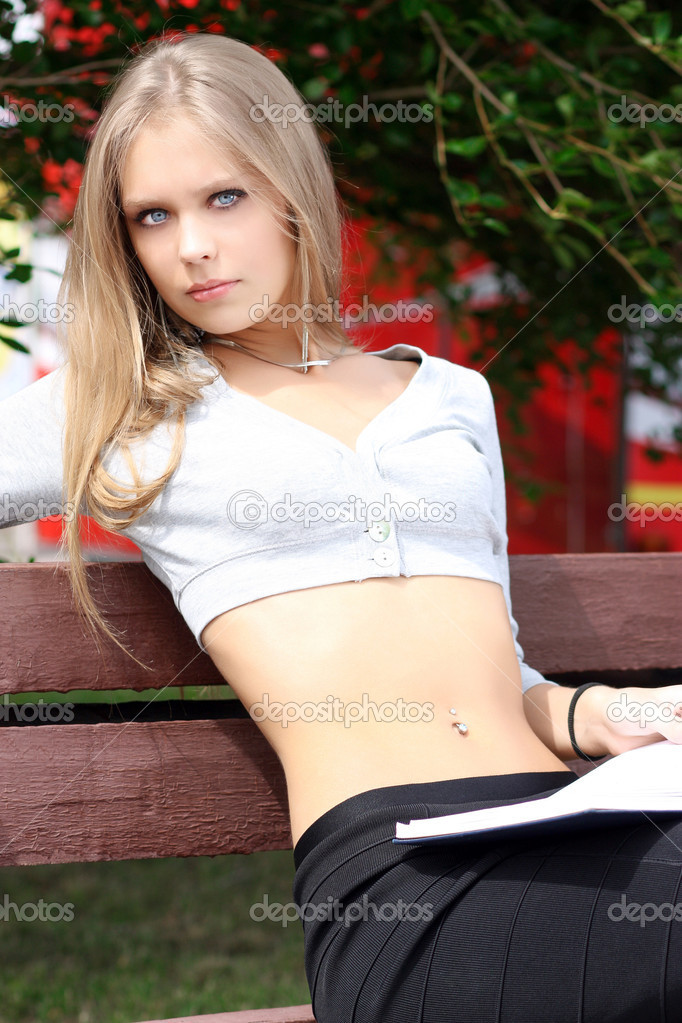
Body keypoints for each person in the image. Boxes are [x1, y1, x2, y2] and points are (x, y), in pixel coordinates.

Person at [2, 32, 682, 1023]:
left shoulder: (448, 394)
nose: (192, 244)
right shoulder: (120, 404)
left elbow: (502, 674)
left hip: (567, 824)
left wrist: (602, 715)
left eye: (222, 197)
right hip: (409, 889)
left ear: (289, 190)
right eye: (154, 216)